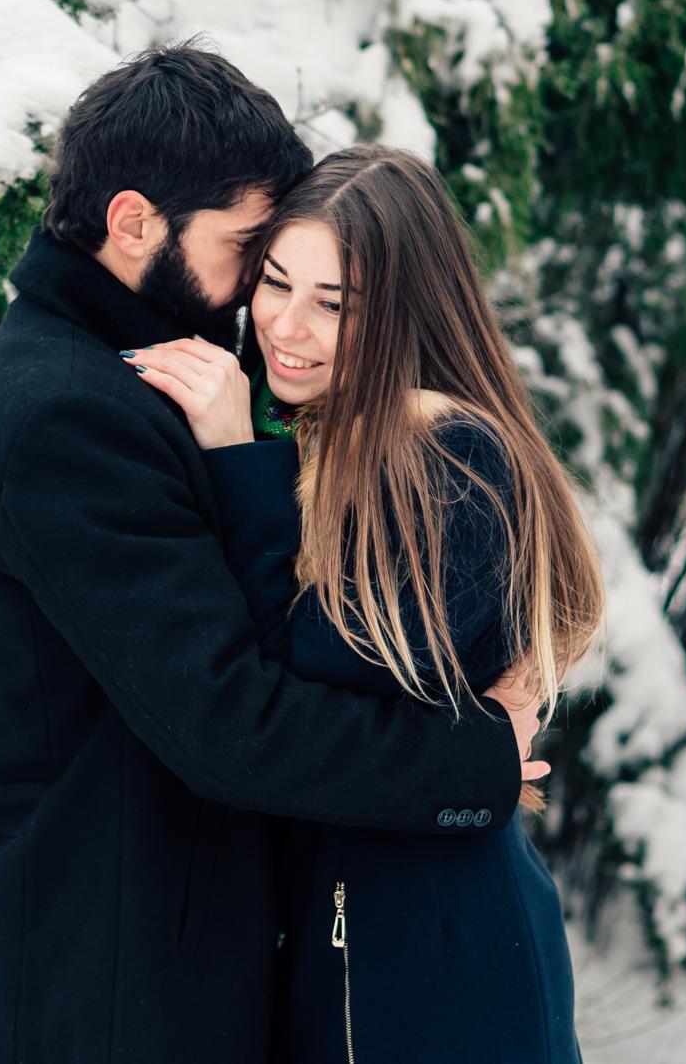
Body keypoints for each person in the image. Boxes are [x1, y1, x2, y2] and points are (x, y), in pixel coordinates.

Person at [0, 39, 549, 1063]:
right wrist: (476, 757)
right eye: (249, 253)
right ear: (134, 222)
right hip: (120, 974)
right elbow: (227, 716)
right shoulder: (68, 412)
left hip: (181, 954)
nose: (256, 304)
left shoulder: (145, 368)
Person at [125, 143, 603, 1063]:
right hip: (346, 950)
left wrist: (236, 465)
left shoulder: (450, 459)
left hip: (434, 973)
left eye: (334, 304)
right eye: (275, 282)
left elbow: (301, 674)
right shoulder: (312, 437)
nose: (287, 327)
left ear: (406, 312)